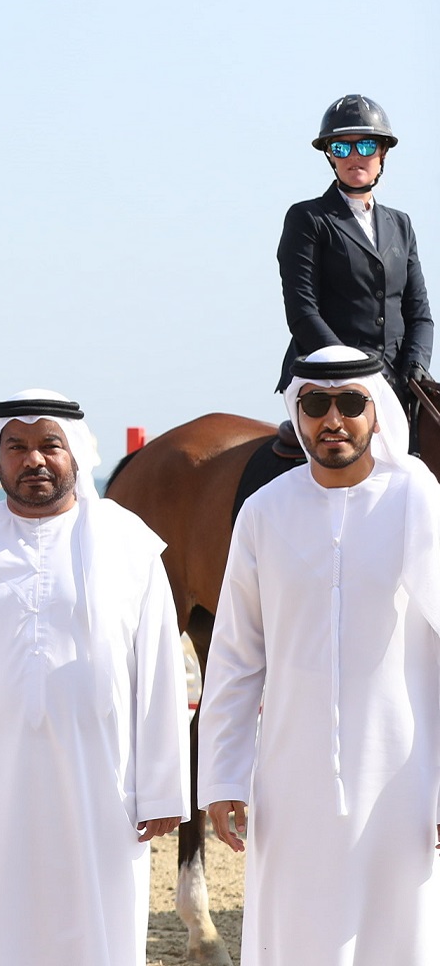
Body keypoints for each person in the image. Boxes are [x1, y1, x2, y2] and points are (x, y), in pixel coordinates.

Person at [0, 390, 188, 965]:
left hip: (104, 781)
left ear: (75, 453)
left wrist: (163, 788)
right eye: (18, 447)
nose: (34, 460)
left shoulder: (129, 543)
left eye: (49, 445)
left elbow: (160, 672)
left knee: (96, 925)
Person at [199, 346, 440, 965]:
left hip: (404, 780)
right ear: (298, 412)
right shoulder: (264, 511)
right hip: (289, 775)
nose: (333, 419)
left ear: (376, 413)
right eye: (316, 404)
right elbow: (234, 655)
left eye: (350, 403)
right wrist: (224, 775)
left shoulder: (418, 500)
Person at [276, 95, 429, 403]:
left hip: (398, 379)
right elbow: (302, 312)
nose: (354, 156)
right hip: (328, 378)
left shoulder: (401, 224)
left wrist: (416, 364)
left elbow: (419, 313)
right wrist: (352, 369)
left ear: (383, 152)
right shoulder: (308, 218)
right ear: (331, 156)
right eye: (342, 148)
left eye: (367, 146)